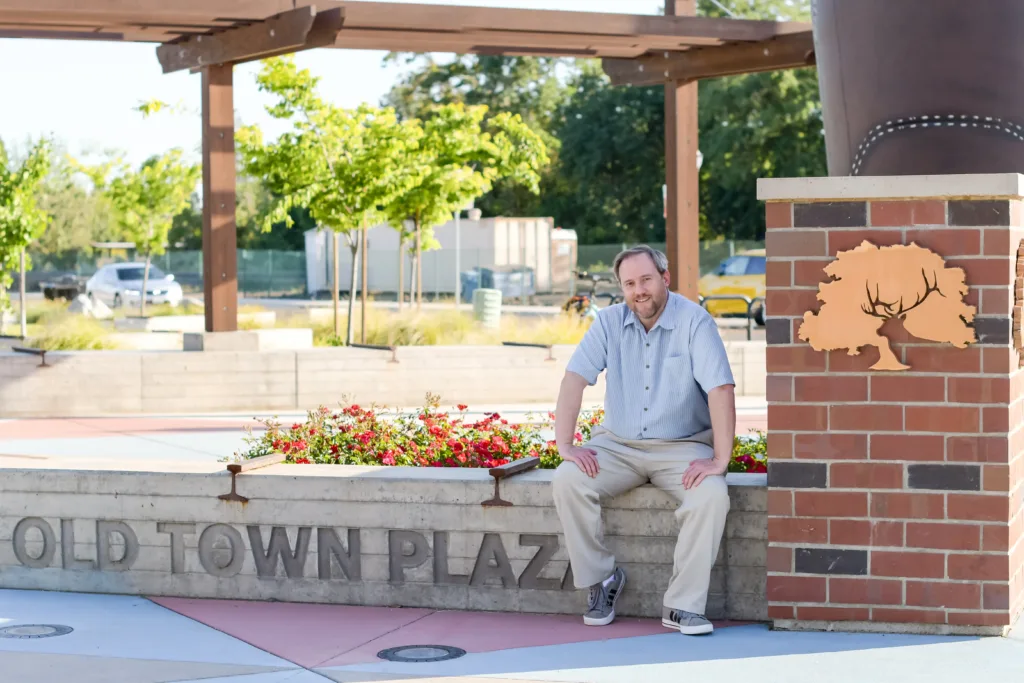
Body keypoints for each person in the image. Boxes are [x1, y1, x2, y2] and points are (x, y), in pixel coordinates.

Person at [551, 245, 736, 636]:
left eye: (646, 280)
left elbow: (721, 389)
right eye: (630, 283)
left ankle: (682, 606)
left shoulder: (695, 322)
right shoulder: (607, 323)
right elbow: (574, 378)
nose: (639, 290)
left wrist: (720, 459)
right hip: (617, 445)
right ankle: (601, 579)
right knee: (567, 480)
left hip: (682, 448)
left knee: (712, 495)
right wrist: (565, 445)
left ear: (665, 279)